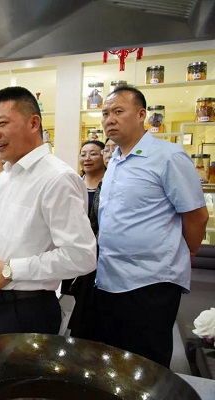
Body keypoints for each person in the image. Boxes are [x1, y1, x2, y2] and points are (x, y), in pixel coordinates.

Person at [95, 85, 209, 368]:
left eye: (118, 111)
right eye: (106, 113)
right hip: (110, 278)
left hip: (151, 281)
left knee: (147, 366)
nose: (110, 119)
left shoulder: (167, 156)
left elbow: (196, 215)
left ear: (141, 115)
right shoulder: (116, 160)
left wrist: (187, 252)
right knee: (114, 362)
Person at [0, 86, 96, 336]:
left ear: (33, 123)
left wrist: (9, 270)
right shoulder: (5, 177)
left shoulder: (57, 178)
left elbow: (81, 255)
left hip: (27, 309)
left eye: (3, 123)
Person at [61, 139, 106, 340]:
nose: (87, 158)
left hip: (100, 252)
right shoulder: (74, 183)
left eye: (93, 153)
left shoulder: (110, 185)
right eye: (83, 154)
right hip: (73, 248)